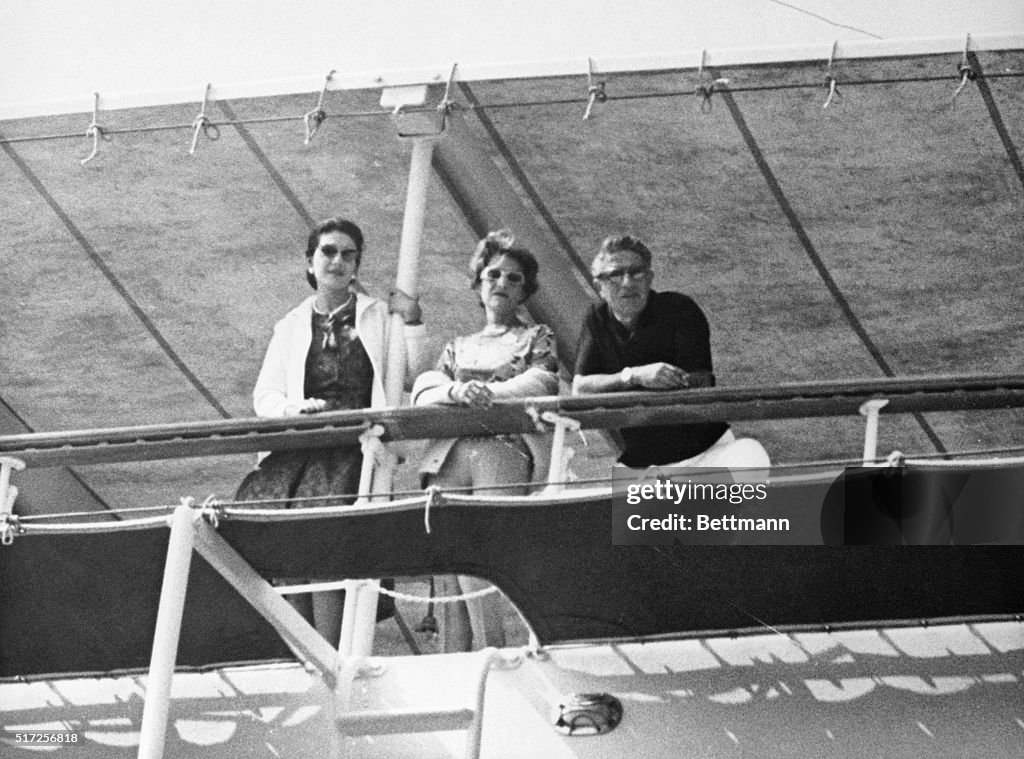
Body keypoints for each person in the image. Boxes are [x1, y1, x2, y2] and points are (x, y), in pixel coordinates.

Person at [236, 216, 427, 645]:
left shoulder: (378, 316)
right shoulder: (289, 325)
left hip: (352, 449)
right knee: (288, 556)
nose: (338, 260)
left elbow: (414, 375)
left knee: (328, 551)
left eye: (348, 253)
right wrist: (294, 408)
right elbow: (264, 396)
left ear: (357, 264)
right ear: (310, 261)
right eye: (328, 251)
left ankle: (329, 653)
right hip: (300, 450)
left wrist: (412, 322)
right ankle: (304, 655)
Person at [412, 230, 559, 651]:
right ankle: (452, 665)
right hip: (448, 456)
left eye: (514, 278)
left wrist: (487, 393)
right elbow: (424, 389)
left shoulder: (536, 337)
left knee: (483, 558)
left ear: (525, 290)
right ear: (478, 282)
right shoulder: (457, 346)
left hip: (502, 450)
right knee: (450, 571)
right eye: (493, 274)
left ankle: (495, 652)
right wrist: (457, 392)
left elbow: (542, 381)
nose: (502, 283)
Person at [573, 234, 769, 471]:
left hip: (708, 453)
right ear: (599, 286)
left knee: (750, 455)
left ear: (649, 279)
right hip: (642, 465)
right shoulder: (596, 317)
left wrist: (657, 381)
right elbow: (580, 387)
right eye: (615, 274)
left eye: (637, 273)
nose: (627, 283)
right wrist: (635, 375)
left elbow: (700, 382)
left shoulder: (678, 309)